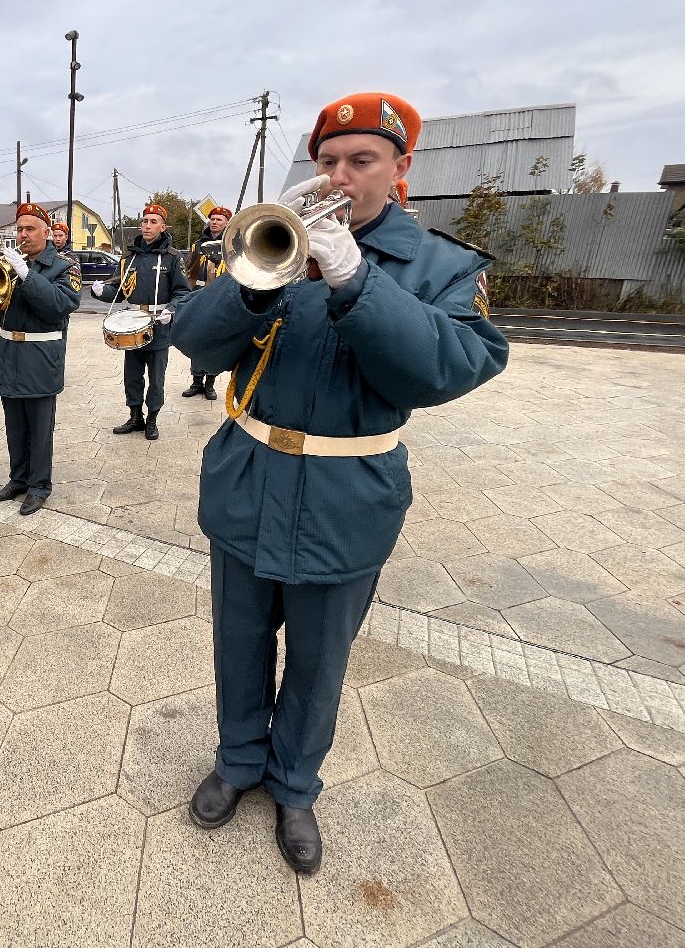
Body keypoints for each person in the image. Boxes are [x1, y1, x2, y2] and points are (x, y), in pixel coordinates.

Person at [172, 92, 508, 875]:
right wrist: (254, 276)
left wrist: (355, 278)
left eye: (361, 161)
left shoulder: (440, 265)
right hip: (250, 478)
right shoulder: (273, 248)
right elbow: (195, 340)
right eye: (327, 160)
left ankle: (294, 783)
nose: (340, 176)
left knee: (321, 658)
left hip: (346, 494)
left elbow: (452, 367)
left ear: (400, 171)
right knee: (240, 640)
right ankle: (238, 761)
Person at [0, 202, 81, 515]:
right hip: (9, 353)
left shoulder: (64, 266)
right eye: (20, 229)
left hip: (40, 356)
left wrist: (27, 275)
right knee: (14, 426)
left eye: (30, 229)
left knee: (40, 429)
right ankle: (18, 479)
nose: (23, 234)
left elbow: (59, 306)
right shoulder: (12, 262)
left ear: (47, 232)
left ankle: (40, 485)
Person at [90, 203, 190, 440]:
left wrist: (171, 310)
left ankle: (152, 419)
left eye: (153, 222)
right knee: (132, 375)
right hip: (131, 324)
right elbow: (118, 289)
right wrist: (98, 290)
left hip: (159, 324)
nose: (147, 226)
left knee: (156, 378)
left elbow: (183, 291)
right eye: (144, 221)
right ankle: (135, 416)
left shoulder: (173, 258)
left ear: (163, 227)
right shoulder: (129, 256)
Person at [181, 205, 230, 400]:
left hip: (220, 296)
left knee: (214, 341)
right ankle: (196, 382)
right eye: (213, 219)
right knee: (197, 339)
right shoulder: (198, 245)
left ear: (227, 223)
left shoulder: (231, 243)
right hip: (199, 295)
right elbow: (188, 271)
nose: (215, 222)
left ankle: (210, 383)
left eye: (219, 219)